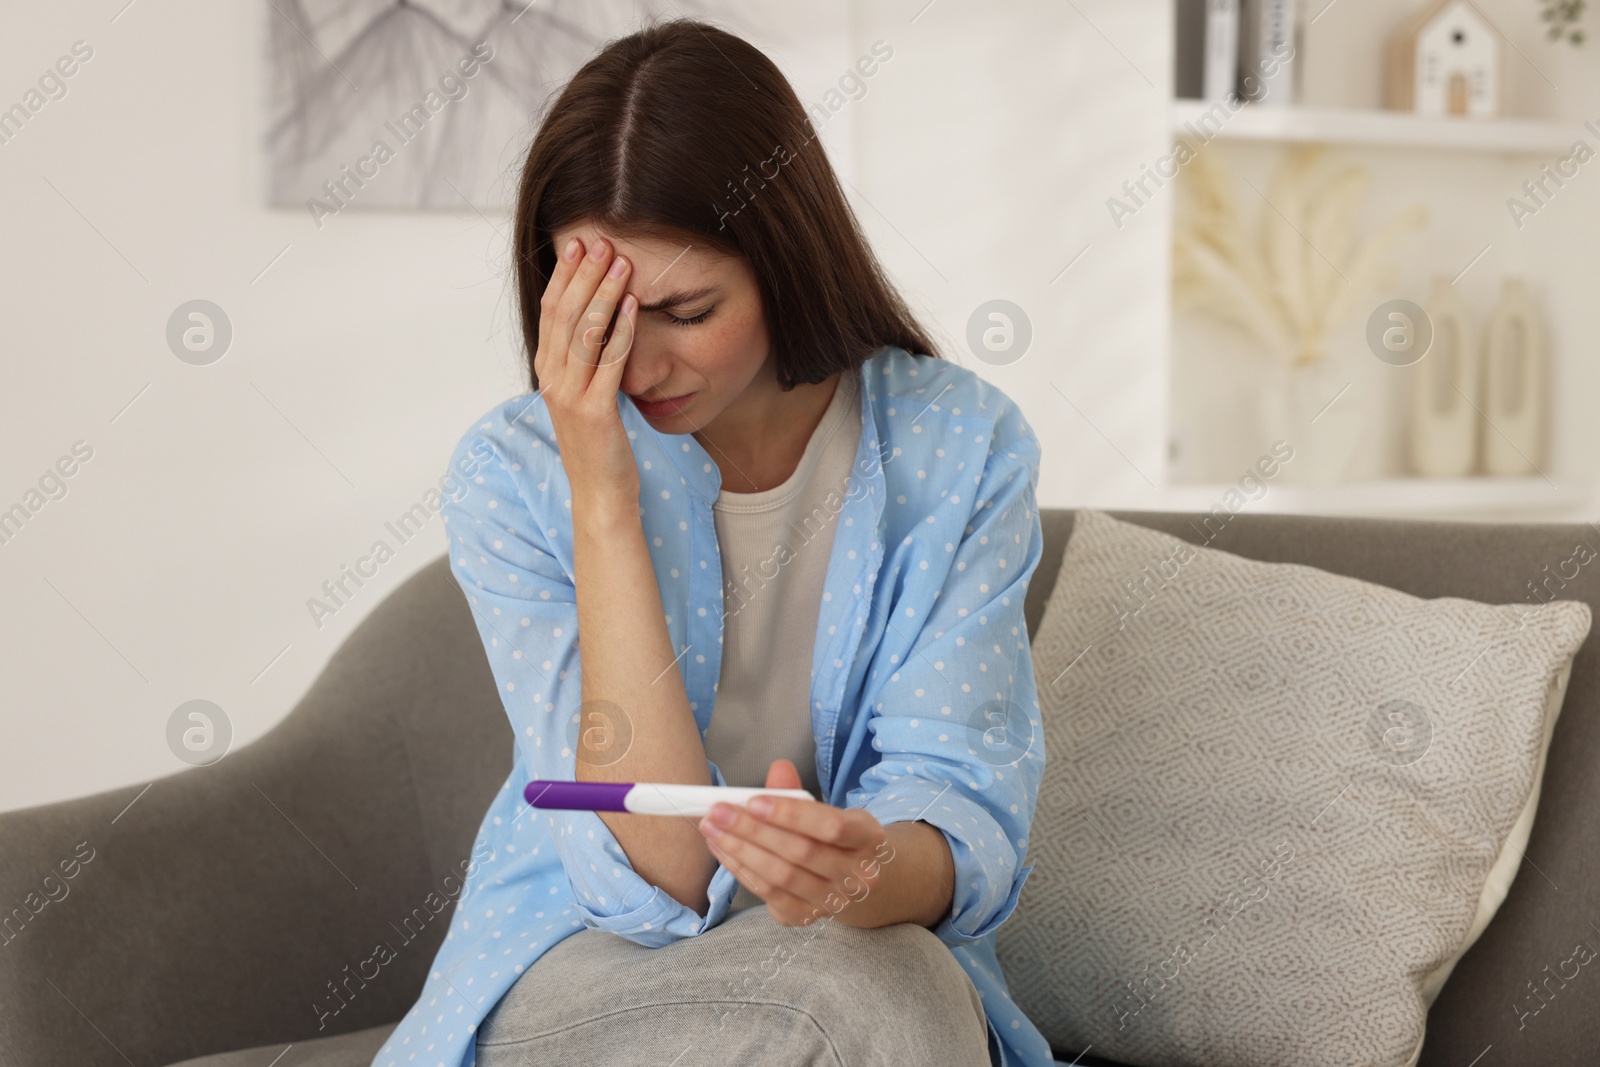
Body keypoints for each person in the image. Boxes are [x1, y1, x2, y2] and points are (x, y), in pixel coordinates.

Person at [375, 16, 1055, 1067]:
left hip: (859, 951)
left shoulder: (960, 446)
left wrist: (859, 866)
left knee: (880, 976)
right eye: (599, 315)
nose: (638, 364)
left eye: (686, 309)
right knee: (839, 995)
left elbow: (960, 807)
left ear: (786, 259)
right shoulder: (516, 474)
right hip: (578, 951)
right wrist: (599, 488)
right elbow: (660, 882)